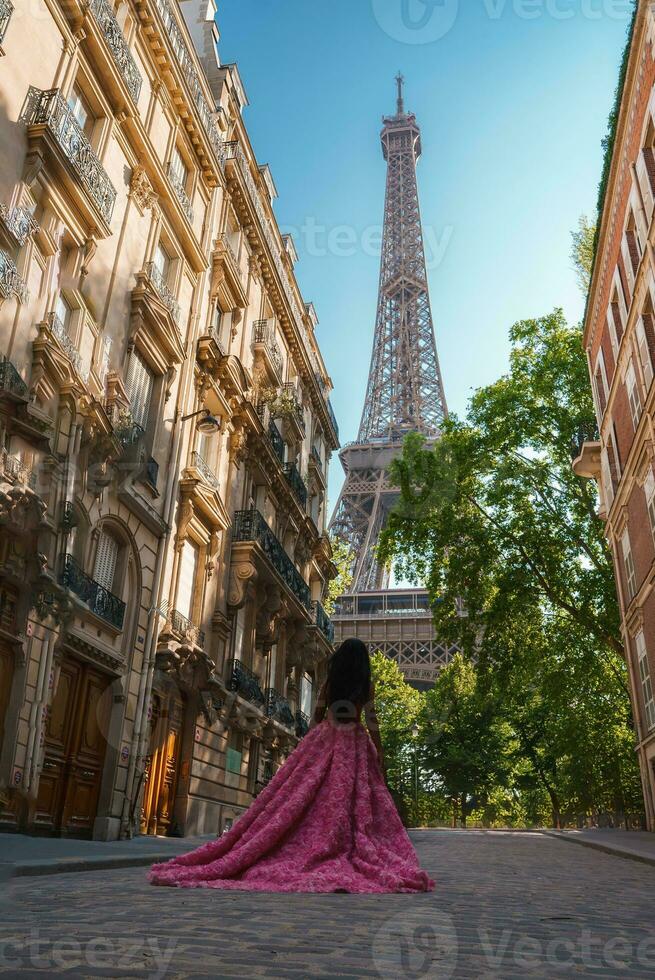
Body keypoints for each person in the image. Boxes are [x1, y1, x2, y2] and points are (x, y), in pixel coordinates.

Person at [149, 638, 435, 893]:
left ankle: (309, 844)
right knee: (349, 804)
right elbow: (372, 723)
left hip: (326, 738)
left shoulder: (331, 684)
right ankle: (339, 845)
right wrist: (380, 755)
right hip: (354, 745)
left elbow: (317, 717)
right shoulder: (366, 688)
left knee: (308, 799)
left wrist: (307, 749)